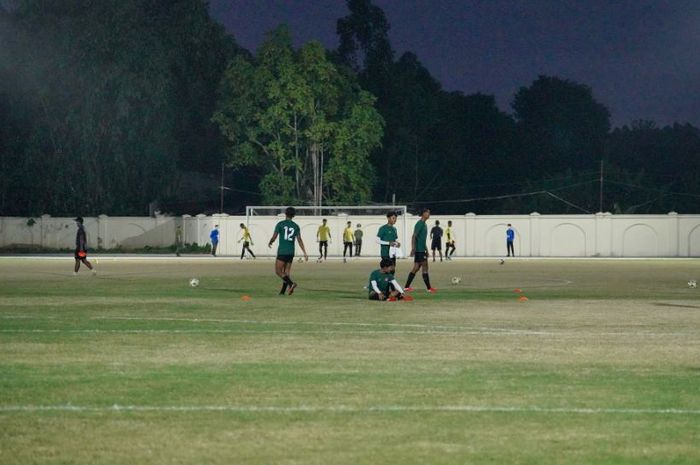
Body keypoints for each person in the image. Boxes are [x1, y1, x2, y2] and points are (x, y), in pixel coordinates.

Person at [268, 207, 308, 295]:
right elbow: (299, 240)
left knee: (278, 271)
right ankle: (282, 292)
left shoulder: (280, 224)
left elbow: (274, 236)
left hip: (283, 250)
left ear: (285, 214)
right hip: (291, 251)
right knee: (286, 273)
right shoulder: (296, 226)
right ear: (293, 215)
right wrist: (304, 252)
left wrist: (270, 242)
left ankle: (291, 284)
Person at [404, 208, 436, 293]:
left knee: (416, 268)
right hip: (419, 250)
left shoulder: (424, 224)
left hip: (422, 250)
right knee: (425, 267)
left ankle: (406, 287)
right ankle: (429, 288)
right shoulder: (420, 224)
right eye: (428, 212)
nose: (429, 214)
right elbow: (414, 236)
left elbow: (422, 239)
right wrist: (413, 248)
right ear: (423, 213)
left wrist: (427, 250)